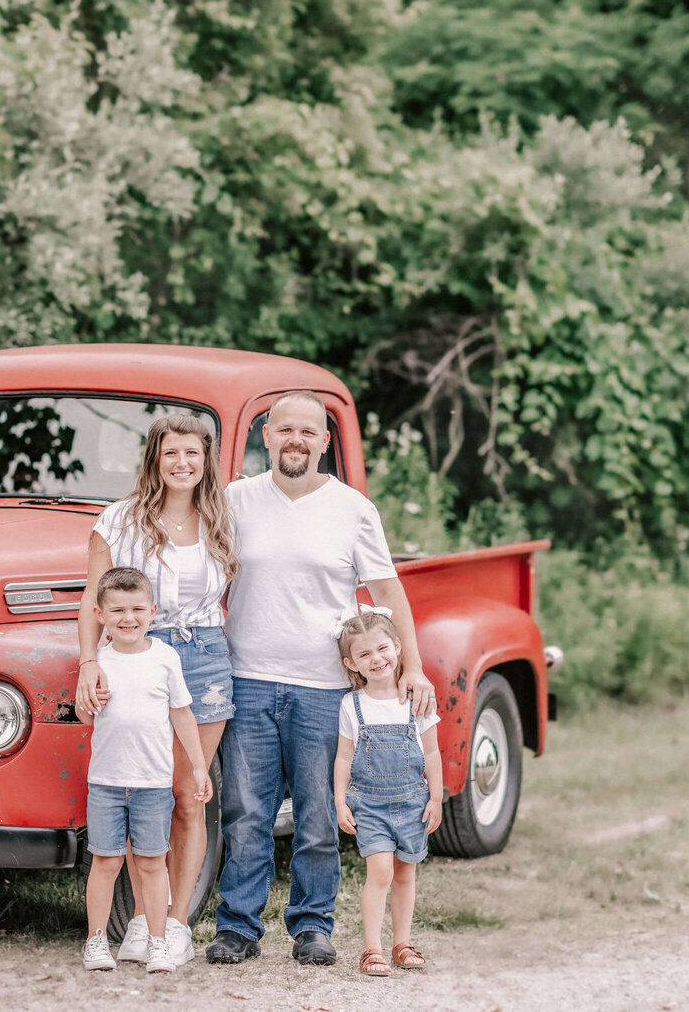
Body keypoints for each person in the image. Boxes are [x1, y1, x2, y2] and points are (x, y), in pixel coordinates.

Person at [207, 390, 436, 968]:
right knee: (245, 813)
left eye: (308, 432)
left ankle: (313, 926)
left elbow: (387, 593)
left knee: (317, 815)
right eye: (285, 430)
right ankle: (238, 926)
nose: (296, 441)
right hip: (248, 676)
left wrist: (412, 664)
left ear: (325, 441)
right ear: (266, 434)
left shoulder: (353, 508)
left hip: (323, 687)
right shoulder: (236, 499)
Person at [74, 415, 238, 966]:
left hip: (206, 655)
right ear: (155, 458)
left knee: (189, 792)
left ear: (205, 459)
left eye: (192, 453)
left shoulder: (221, 518)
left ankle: (175, 921)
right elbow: (91, 599)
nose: (182, 463)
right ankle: (141, 919)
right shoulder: (119, 520)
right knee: (145, 785)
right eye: (171, 453)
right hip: (135, 654)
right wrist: (89, 662)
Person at [78, 567, 213, 975]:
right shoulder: (96, 662)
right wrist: (91, 702)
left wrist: (199, 766)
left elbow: (182, 714)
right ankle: (96, 941)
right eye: (117, 609)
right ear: (100, 614)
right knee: (105, 861)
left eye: (137, 608)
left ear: (152, 611)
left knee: (153, 862)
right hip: (106, 781)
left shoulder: (164, 657)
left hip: (153, 782)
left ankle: (158, 942)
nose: (128, 618)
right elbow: (85, 717)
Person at [332, 609, 443, 976]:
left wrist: (436, 798)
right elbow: (344, 756)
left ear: (398, 647)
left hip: (413, 801)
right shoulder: (353, 704)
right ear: (352, 663)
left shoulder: (418, 700)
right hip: (370, 804)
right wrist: (340, 800)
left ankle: (402, 943)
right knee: (379, 871)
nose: (376, 659)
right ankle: (371, 948)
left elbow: (431, 752)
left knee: (405, 874)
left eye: (382, 649)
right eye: (365, 655)